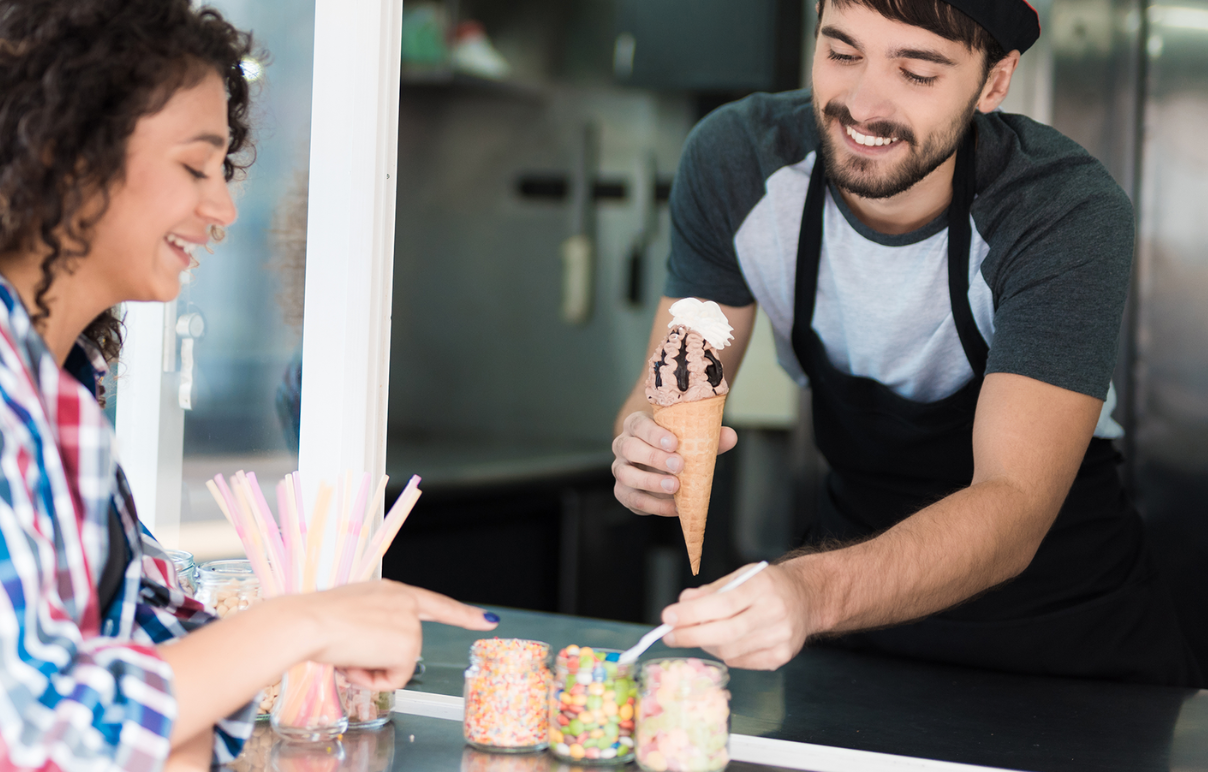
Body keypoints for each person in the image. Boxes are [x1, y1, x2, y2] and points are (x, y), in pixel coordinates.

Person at [612, 0, 1202, 687]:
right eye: (842, 53)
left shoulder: (1059, 209)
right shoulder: (738, 161)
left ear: (994, 82)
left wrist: (810, 593)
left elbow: (1013, 503)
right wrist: (648, 448)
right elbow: (675, 388)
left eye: (917, 72)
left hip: (1063, 642)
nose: (863, 106)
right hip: (854, 632)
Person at [0, 2, 498, 769]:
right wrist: (304, 625)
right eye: (194, 166)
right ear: (67, 154)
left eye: (223, 169)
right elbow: (43, 722)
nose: (223, 207)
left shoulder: (58, 385)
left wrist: (304, 628)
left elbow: (148, 639)